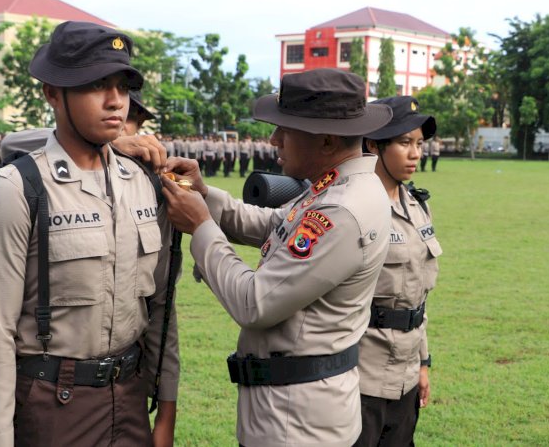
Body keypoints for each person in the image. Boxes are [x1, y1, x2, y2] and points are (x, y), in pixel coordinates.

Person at [0, 21, 178, 446]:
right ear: (52, 93)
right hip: (51, 407)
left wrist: (166, 411)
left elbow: (161, 311)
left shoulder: (145, 183)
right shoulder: (15, 192)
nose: (116, 101)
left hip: (130, 399)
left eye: (122, 85)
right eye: (96, 84)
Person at [161, 68, 393, 446]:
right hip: (293, 410)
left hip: (297, 424)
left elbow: (256, 302)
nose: (274, 140)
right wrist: (204, 194)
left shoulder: (341, 209)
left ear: (327, 140)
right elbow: (275, 225)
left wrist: (201, 227)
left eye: (285, 130)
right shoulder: (336, 186)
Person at [356, 95, 442, 446]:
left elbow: (417, 298)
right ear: (373, 145)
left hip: (405, 376)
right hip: (360, 377)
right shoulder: (355, 209)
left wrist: (423, 364)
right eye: (405, 142)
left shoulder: (417, 207)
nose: (415, 153)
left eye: (420, 143)